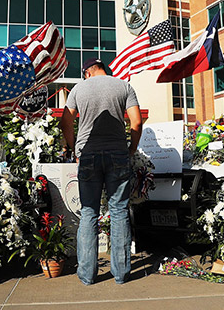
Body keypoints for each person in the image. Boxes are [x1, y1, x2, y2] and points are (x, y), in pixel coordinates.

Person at [60, 58, 142, 285]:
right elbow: (136, 122)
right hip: (117, 153)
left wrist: (74, 147)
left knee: (89, 213)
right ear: (103, 69)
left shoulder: (78, 89)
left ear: (87, 72)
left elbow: (66, 123)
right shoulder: (123, 85)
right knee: (118, 211)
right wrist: (131, 148)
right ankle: (121, 274)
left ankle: (87, 275)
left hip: (88, 155)